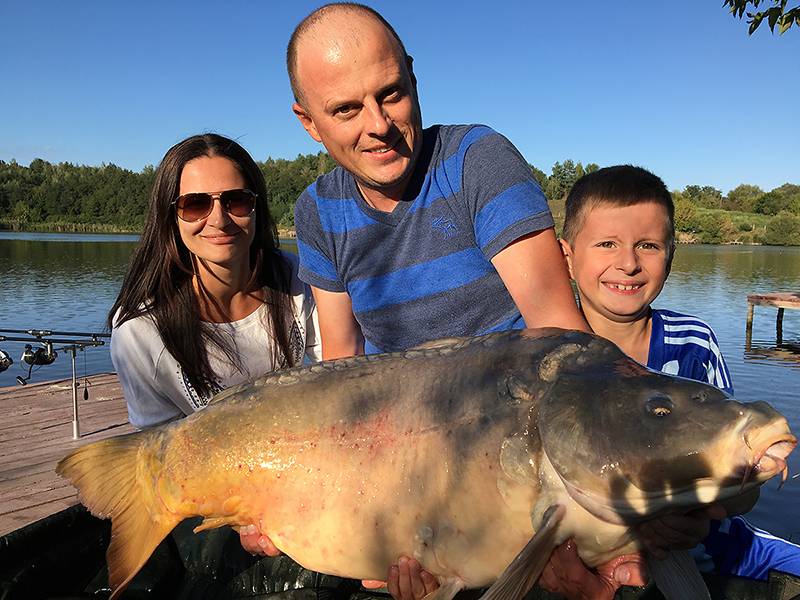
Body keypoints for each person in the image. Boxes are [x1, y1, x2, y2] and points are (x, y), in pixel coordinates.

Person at [559, 164, 800, 582]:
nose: (629, 263)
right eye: (607, 243)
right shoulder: (550, 354)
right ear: (567, 257)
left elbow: (743, 486)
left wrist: (704, 514)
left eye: (648, 245)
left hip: (713, 544)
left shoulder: (694, 341)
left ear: (672, 255)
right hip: (589, 555)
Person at [109, 133, 320, 428]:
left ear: (257, 206)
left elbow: (340, 373)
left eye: (237, 200)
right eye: (195, 204)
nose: (219, 219)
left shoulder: (298, 279)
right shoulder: (139, 330)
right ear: (171, 218)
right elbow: (160, 446)